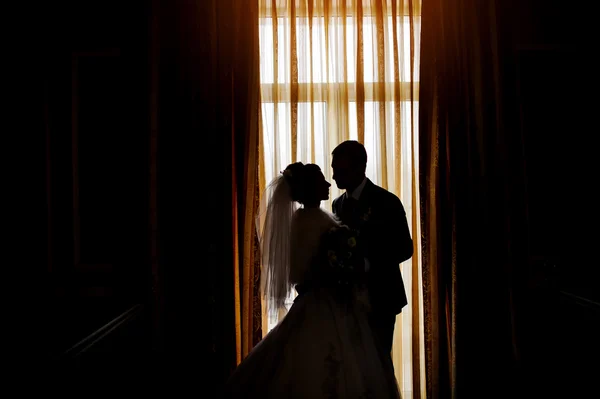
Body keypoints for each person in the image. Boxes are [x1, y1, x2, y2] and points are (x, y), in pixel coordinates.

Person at [224, 162, 400, 399]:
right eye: (321, 181)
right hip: (327, 302)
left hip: (332, 300)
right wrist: (342, 269)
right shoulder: (311, 220)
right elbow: (308, 269)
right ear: (309, 188)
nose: (329, 183)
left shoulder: (307, 218)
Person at [331, 140, 413, 357]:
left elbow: (405, 248)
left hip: (382, 297)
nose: (334, 176)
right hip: (347, 300)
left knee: (378, 363)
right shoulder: (337, 205)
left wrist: (367, 263)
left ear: (359, 167)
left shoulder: (387, 201)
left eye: (339, 169)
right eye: (334, 169)